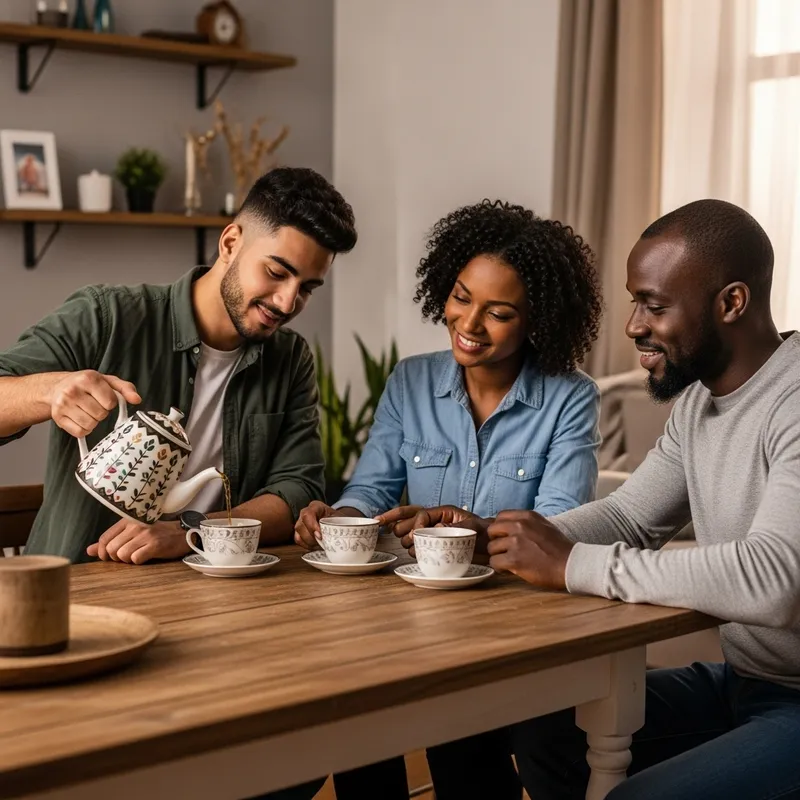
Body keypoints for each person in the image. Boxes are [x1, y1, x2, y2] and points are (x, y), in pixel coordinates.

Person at [394, 199, 800, 800]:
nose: (634, 324)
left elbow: (773, 578)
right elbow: (629, 517)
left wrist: (571, 566)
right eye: (637, 302)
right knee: (540, 724)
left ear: (731, 302)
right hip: (744, 683)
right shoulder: (698, 403)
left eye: (654, 306)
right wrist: (496, 537)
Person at [295, 200, 604, 800]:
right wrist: (340, 519)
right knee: (361, 721)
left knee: (489, 764)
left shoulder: (570, 398)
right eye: (461, 297)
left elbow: (563, 529)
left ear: (537, 320)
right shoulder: (411, 381)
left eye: (500, 313)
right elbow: (371, 492)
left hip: (521, 631)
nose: (469, 322)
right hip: (422, 625)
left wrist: (469, 525)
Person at [0, 167, 356, 573]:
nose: (288, 302)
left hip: (214, 594)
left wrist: (193, 532)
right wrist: (50, 391)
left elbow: (297, 488)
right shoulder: (106, 316)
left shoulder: (290, 358)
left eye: (307, 287)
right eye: (276, 273)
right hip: (76, 588)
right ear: (230, 242)